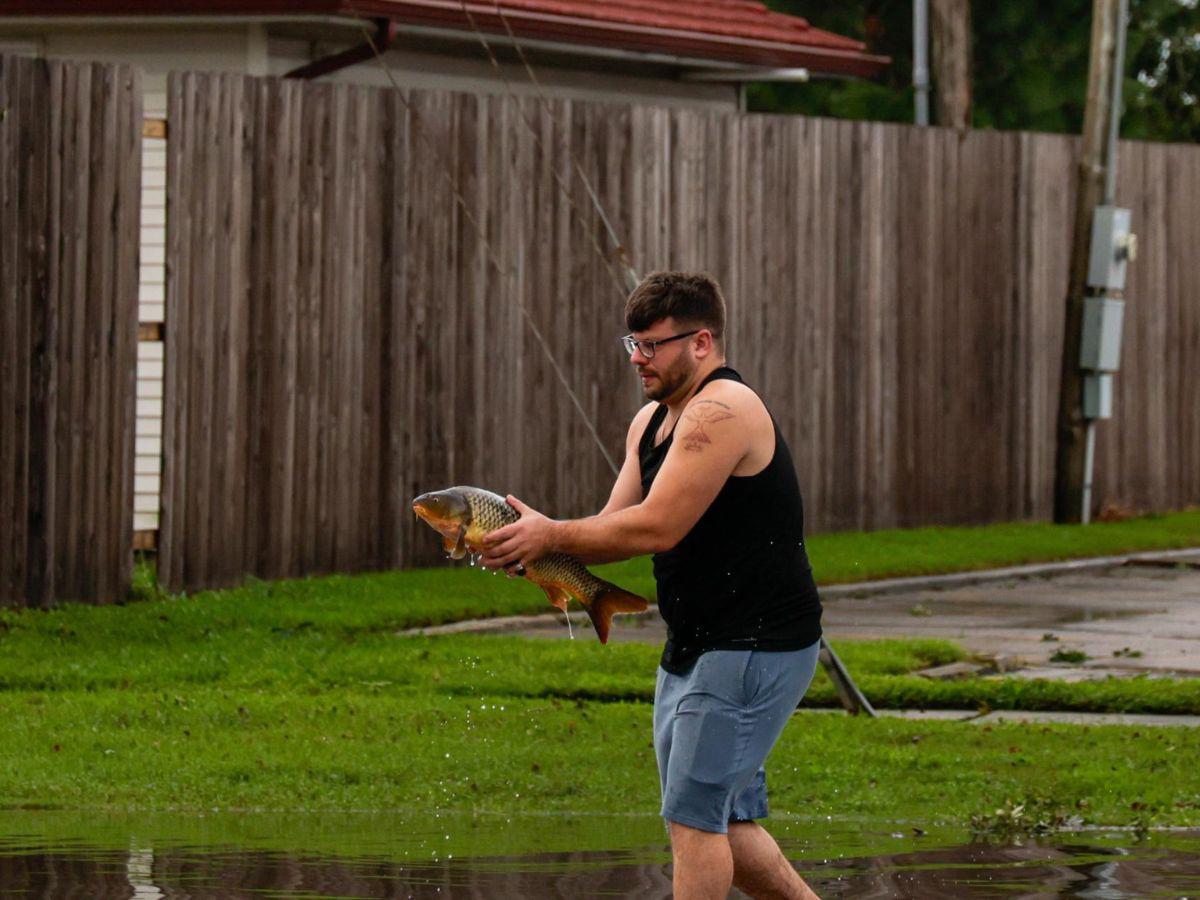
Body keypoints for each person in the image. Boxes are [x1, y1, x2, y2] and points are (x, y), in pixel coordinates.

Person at [481, 271, 824, 900]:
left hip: (754, 644)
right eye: (631, 344)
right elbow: (616, 526)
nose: (638, 359)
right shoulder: (651, 423)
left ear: (702, 342)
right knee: (728, 824)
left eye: (652, 345)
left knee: (693, 822)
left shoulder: (724, 410)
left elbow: (659, 528)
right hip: (697, 642)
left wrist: (551, 533)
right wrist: (531, 545)